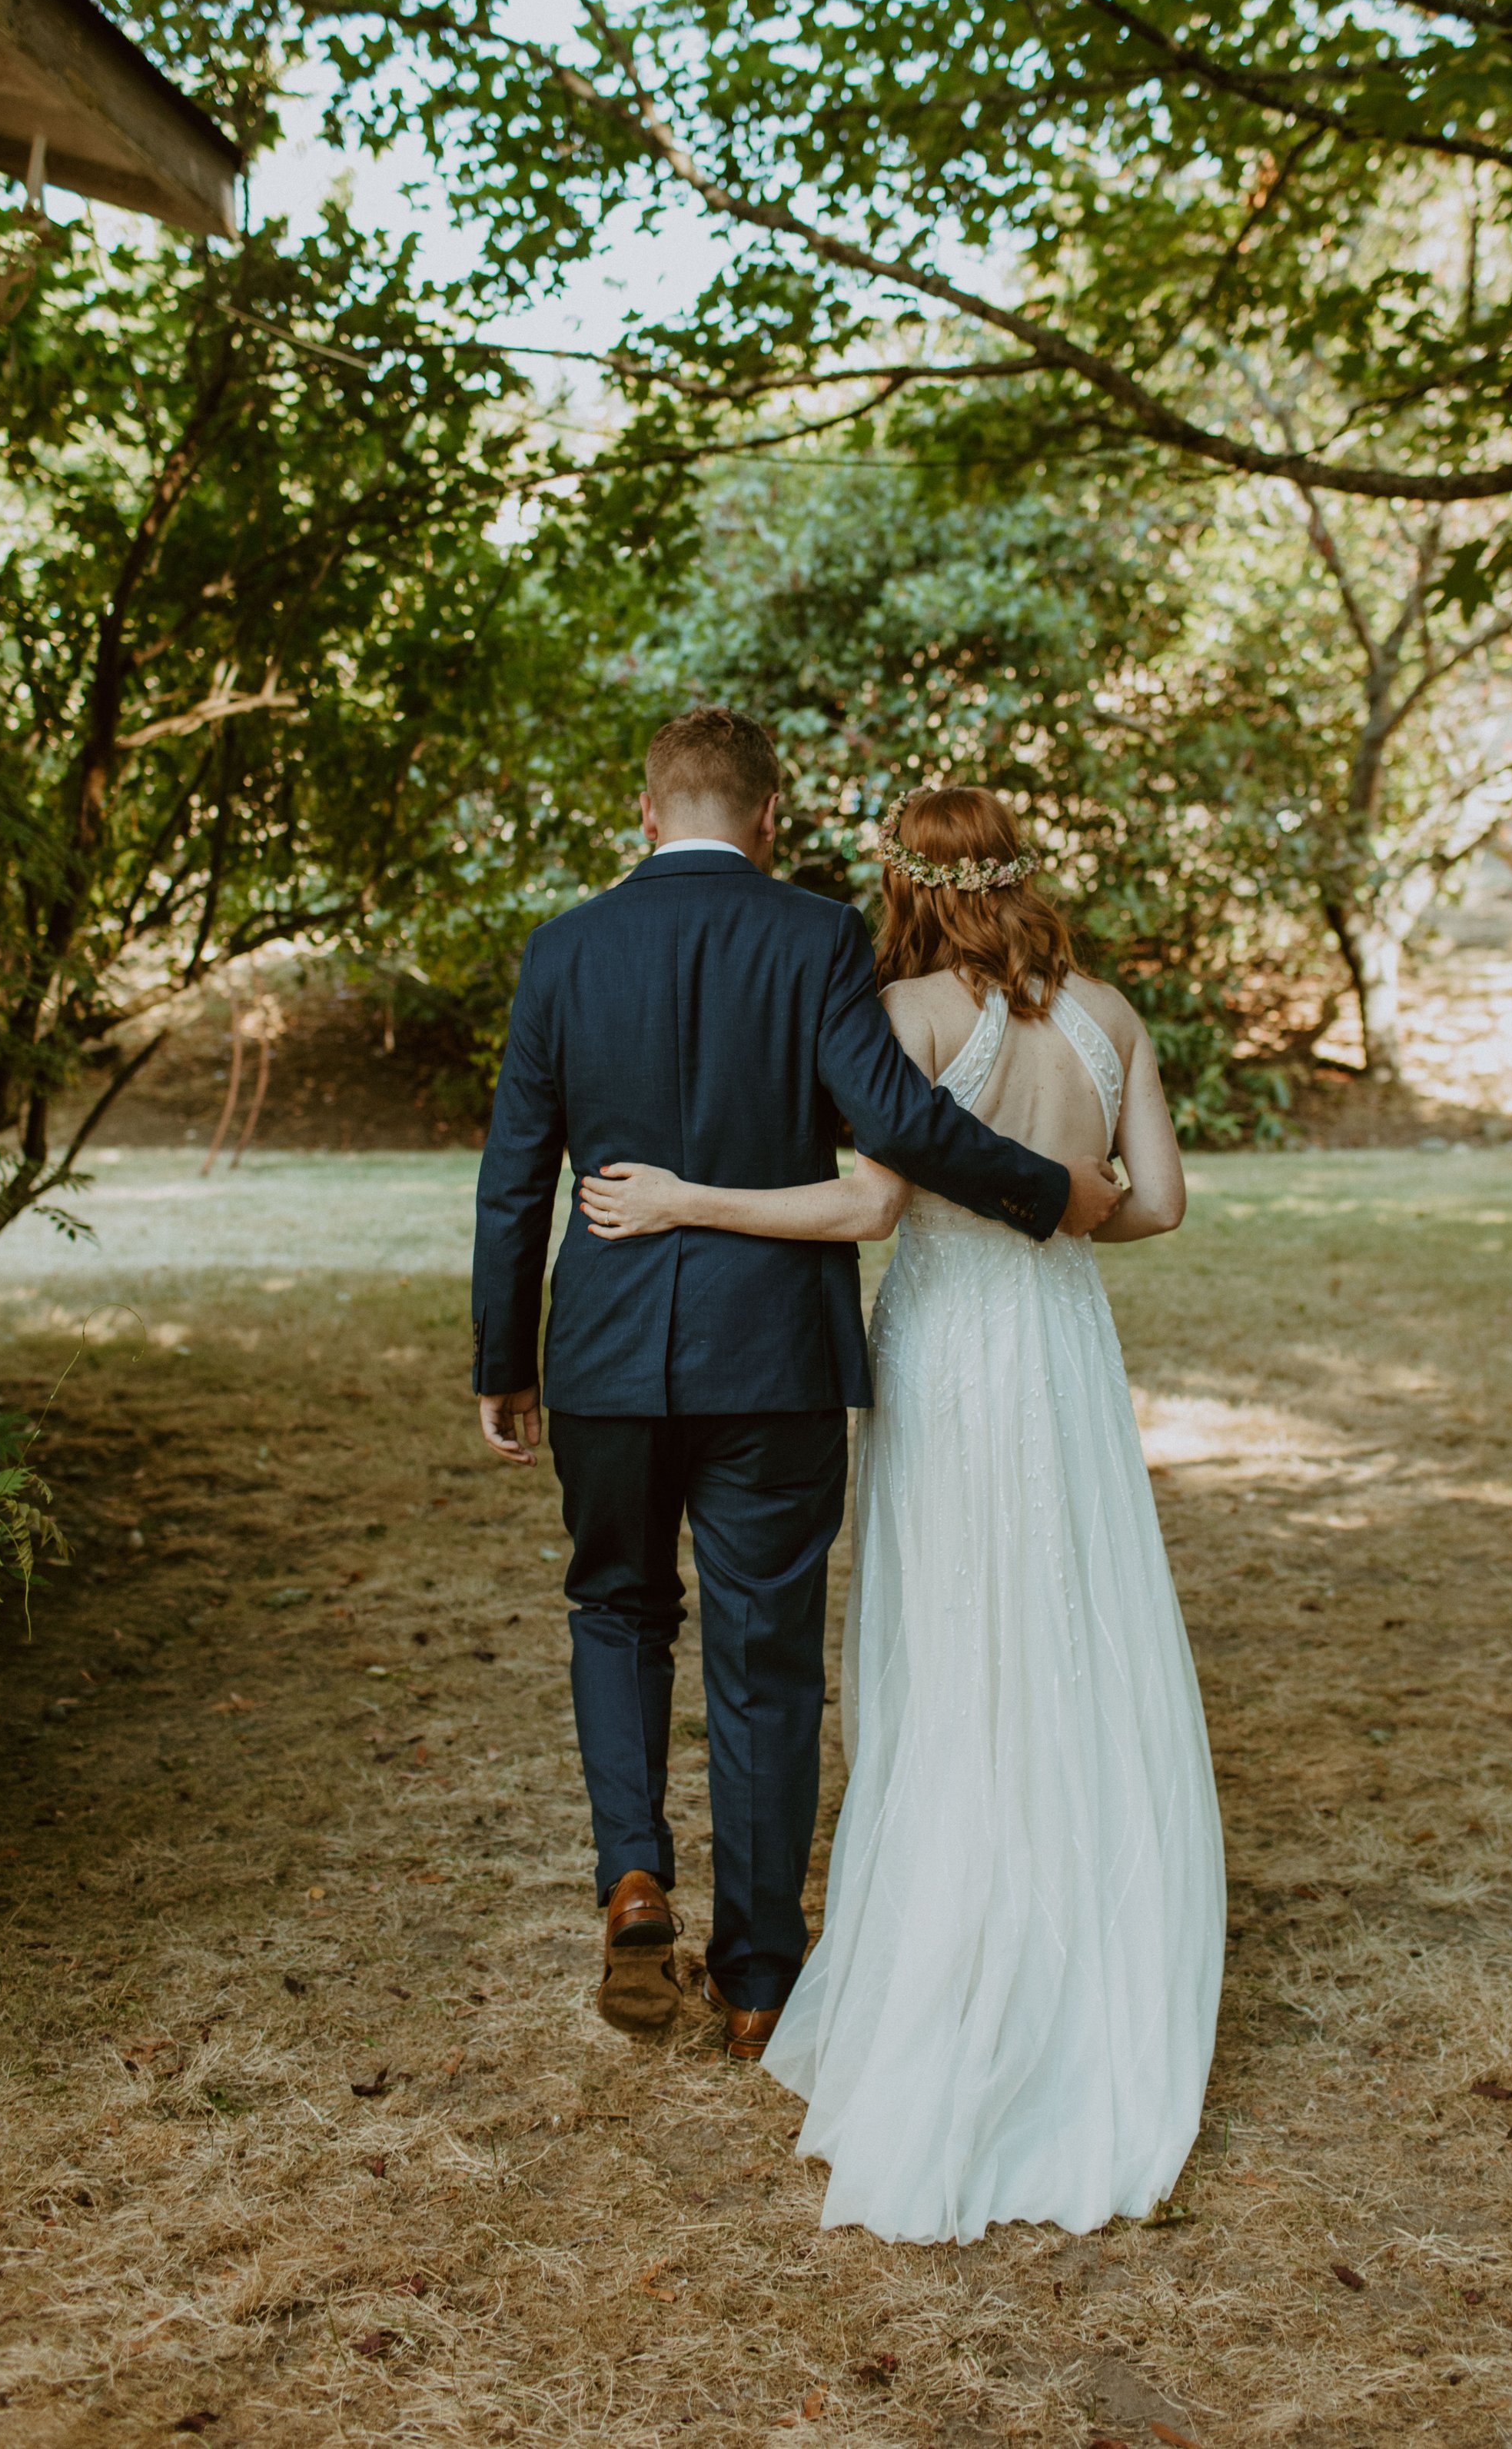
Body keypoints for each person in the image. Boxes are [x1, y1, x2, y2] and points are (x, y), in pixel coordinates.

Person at [579, 783, 1225, 2244]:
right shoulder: (1110, 1012)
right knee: (1077, 1621)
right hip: (1061, 1347)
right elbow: (1161, 1204)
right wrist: (1065, 1209)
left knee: (952, 1641)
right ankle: (1088, 1936)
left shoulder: (910, 1012)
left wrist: (688, 1198)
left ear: (905, 882)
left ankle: (954, 1942)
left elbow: (863, 1206)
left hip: (946, 1354)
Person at [472, 714, 1120, 2058]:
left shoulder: (564, 949)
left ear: (644, 814)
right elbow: (891, 1121)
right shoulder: (818, 934)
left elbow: (512, 1173)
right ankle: (762, 1975)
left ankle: (635, 1872)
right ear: (770, 819)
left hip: (599, 1354)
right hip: (771, 1359)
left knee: (615, 1607)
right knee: (765, 1654)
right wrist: (1046, 1189)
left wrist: (504, 1359)